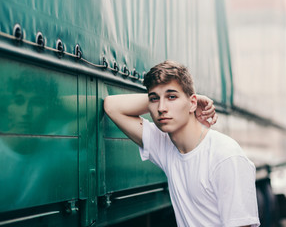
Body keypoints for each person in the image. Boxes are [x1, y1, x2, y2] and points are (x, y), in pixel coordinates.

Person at [104, 60, 260, 227]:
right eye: (154, 99)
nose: (161, 108)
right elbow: (112, 106)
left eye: (172, 97)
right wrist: (169, 97)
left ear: (192, 103)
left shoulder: (225, 156)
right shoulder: (165, 147)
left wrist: (183, 98)